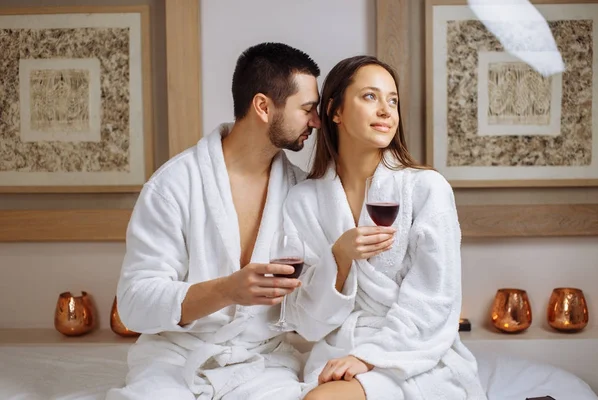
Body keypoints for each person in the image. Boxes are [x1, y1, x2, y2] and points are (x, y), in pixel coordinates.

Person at [105, 42, 321, 400]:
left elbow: (312, 302)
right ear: (263, 107)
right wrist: (225, 290)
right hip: (175, 360)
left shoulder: (302, 191)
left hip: (264, 364)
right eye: (307, 109)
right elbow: (133, 304)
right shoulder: (173, 186)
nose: (315, 121)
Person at [282, 55, 487, 399]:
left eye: (392, 101)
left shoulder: (426, 189)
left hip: (412, 354)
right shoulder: (303, 201)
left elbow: (436, 300)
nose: (386, 111)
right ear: (335, 111)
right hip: (338, 354)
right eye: (370, 97)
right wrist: (340, 256)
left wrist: (370, 356)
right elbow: (307, 322)